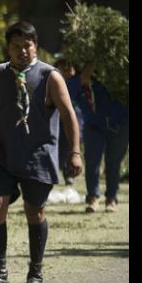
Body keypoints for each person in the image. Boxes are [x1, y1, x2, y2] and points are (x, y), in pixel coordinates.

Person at [0, 21, 83, 283]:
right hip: (2, 153)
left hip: (37, 154)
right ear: (8, 49)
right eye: (15, 46)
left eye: (27, 45)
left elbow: (68, 115)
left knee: (34, 211)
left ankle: (35, 274)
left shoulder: (50, 76)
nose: (22, 51)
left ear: (35, 46)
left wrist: (74, 152)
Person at [76, 61, 129, 213]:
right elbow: (80, 83)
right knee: (92, 162)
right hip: (94, 124)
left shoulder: (122, 73)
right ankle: (93, 197)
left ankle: (111, 198)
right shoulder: (86, 72)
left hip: (120, 121)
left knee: (114, 163)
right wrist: (92, 64)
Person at [54, 55, 84, 187]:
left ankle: (69, 174)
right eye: (63, 68)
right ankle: (55, 171)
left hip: (74, 121)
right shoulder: (52, 82)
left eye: (69, 68)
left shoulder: (76, 82)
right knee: (58, 148)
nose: (66, 70)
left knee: (70, 147)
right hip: (56, 121)